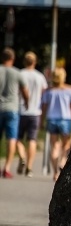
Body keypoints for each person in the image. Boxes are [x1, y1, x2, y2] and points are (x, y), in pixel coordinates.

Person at [41, 68, 71, 181]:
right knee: (66, 144)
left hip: (51, 120)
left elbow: (44, 107)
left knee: (54, 146)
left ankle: (55, 172)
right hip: (65, 120)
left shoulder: (48, 91)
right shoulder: (70, 90)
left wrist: (42, 121)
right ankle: (62, 162)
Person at [17, 51, 48, 177]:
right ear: (35, 62)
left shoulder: (20, 74)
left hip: (20, 110)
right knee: (32, 139)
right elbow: (43, 92)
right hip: (35, 112)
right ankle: (29, 168)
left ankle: (22, 156)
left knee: (17, 138)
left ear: (24, 61)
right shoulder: (40, 76)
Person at [0, 47, 29, 178]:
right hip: (12, 109)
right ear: (12, 59)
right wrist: (27, 102)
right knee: (11, 138)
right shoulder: (17, 73)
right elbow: (24, 91)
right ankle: (7, 168)